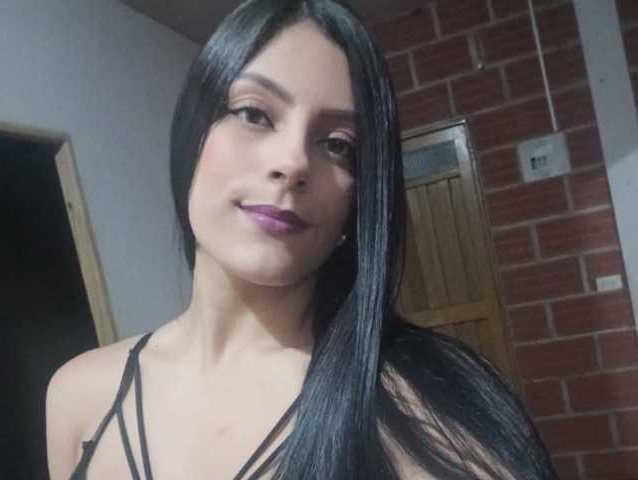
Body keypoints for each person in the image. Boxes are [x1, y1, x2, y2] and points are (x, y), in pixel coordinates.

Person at [46, 0, 556, 478]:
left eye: (337, 145)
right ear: (192, 135)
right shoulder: (81, 395)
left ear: (356, 202)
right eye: (254, 114)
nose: (292, 163)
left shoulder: (425, 409)